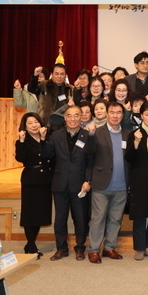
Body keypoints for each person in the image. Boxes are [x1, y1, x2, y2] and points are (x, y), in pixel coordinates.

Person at [41, 105, 96, 261]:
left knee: (80, 219)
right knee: (60, 219)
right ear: (65, 118)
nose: (73, 119)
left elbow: (91, 161)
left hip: (80, 184)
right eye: (69, 115)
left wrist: (88, 180)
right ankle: (61, 249)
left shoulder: (87, 135)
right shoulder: (55, 136)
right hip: (60, 183)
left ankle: (80, 248)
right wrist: (43, 140)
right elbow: (47, 155)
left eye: (76, 115)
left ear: (81, 117)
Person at [87, 102, 131, 264]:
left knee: (115, 219)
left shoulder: (128, 134)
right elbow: (89, 153)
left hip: (122, 185)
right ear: (107, 113)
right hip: (101, 183)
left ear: (123, 115)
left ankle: (109, 247)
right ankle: (93, 249)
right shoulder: (97, 132)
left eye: (118, 112)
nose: (115, 115)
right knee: (98, 218)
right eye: (112, 112)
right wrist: (90, 135)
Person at [124, 102, 148, 261]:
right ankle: (139, 247)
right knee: (139, 214)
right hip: (139, 178)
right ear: (141, 116)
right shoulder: (135, 133)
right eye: (146, 114)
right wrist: (136, 142)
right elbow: (128, 158)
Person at [15, 112, 53, 258]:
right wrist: (21, 141)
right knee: (30, 214)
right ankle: (31, 245)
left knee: (40, 214)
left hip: (45, 180)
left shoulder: (47, 138)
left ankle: (30, 244)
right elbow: (21, 158)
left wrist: (43, 140)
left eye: (36, 122)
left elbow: (48, 155)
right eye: (30, 123)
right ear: (24, 126)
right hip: (30, 180)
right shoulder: (23, 141)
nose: (34, 125)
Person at [30, 63, 74, 128]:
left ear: (65, 75)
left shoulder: (70, 88)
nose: (59, 76)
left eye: (62, 74)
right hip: (45, 124)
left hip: (64, 125)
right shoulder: (44, 84)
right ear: (52, 74)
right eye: (56, 74)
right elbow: (32, 89)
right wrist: (35, 76)